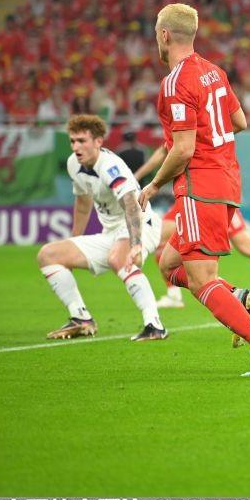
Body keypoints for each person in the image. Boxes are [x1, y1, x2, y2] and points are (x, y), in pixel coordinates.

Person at [137, 3, 250, 377]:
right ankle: (235, 297)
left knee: (202, 279)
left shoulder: (176, 82)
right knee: (169, 264)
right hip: (227, 182)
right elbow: (240, 121)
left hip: (199, 186)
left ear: (165, 35)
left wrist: (154, 185)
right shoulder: (214, 72)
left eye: (156, 34)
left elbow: (183, 149)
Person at [37, 115, 166, 341]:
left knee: (119, 258)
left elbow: (131, 205)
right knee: (48, 254)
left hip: (141, 224)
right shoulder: (73, 164)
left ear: (98, 142)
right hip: (111, 233)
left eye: (82, 141)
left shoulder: (110, 166)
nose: (76, 147)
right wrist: (74, 240)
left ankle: (154, 325)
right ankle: (81, 318)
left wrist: (136, 244)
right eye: (72, 141)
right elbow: (82, 203)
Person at [135, 146, 250, 311]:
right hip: (192, 196)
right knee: (161, 237)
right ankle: (174, 294)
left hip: (212, 194)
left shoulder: (190, 130)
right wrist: (139, 178)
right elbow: (165, 151)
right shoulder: (186, 131)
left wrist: (151, 182)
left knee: (246, 247)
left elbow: (174, 152)